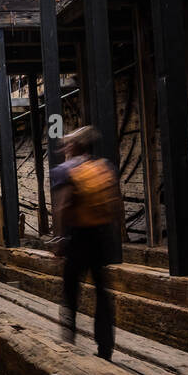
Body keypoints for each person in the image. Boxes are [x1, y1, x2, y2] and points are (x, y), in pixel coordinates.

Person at [50, 125, 120, 359]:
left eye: (68, 143)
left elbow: (61, 207)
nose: (65, 147)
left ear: (75, 146)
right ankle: (105, 348)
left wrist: (59, 239)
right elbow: (115, 205)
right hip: (101, 237)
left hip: (78, 237)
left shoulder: (65, 171)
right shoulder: (104, 168)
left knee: (71, 290)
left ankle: (68, 343)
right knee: (102, 292)